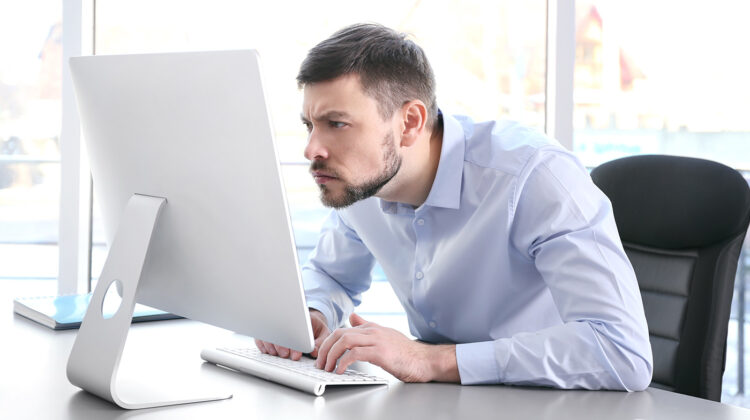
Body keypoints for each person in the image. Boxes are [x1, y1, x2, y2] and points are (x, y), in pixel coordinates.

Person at [255, 23, 653, 390]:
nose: (312, 150)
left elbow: (621, 350)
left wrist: (433, 360)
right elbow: (333, 276)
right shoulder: (363, 185)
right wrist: (313, 314)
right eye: (310, 125)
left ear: (409, 122)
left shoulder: (534, 177)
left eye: (337, 124)